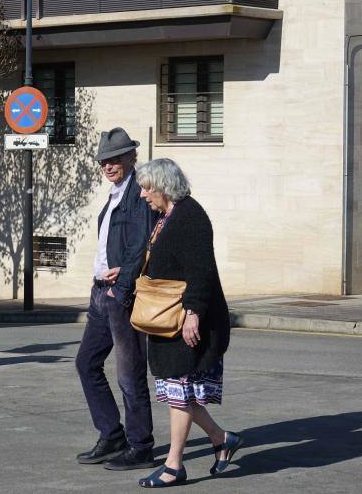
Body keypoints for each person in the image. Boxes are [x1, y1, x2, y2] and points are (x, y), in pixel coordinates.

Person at [133, 158, 241, 488]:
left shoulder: (191, 217)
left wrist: (193, 313)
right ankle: (222, 439)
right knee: (179, 392)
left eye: (147, 187)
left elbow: (202, 271)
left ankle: (173, 466)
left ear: (164, 186)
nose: (142, 195)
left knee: (180, 391)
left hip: (188, 321)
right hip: (168, 319)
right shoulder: (165, 217)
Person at [75, 127, 157, 471]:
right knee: (86, 362)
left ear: (131, 158)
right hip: (101, 294)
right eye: (104, 161)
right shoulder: (114, 194)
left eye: (115, 159)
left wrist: (120, 287)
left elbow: (140, 247)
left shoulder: (139, 195)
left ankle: (140, 446)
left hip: (121, 295)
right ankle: (111, 434)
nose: (108, 166)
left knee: (130, 373)